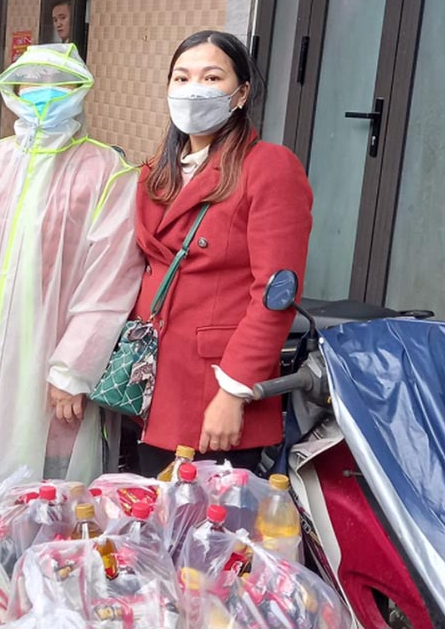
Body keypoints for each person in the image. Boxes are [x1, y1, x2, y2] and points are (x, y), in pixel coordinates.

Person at [0, 43, 144, 504]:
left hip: (53, 366)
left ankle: (45, 572)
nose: (43, 94)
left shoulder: (107, 173)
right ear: (12, 90)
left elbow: (110, 283)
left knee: (53, 490)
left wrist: (72, 369)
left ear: (79, 93)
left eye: (56, 85)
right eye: (32, 85)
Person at [133, 30, 313, 475]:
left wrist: (234, 392)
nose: (194, 89)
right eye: (182, 77)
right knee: (145, 526)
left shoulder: (268, 167)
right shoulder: (158, 171)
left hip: (213, 387)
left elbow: (276, 294)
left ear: (241, 92)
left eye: (212, 77)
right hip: (148, 379)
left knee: (205, 536)